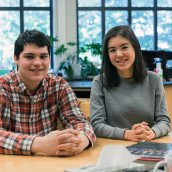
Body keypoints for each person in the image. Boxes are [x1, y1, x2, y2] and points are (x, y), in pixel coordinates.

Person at [0, 29, 96, 156]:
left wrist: (79, 142)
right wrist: (39, 144)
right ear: (16, 59)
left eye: (43, 56)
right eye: (29, 56)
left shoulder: (59, 86)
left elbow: (79, 122)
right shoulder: (3, 87)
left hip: (50, 163)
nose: (38, 63)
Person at [90, 25, 171, 142]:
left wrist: (152, 132)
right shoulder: (99, 82)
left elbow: (164, 121)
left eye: (124, 47)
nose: (118, 54)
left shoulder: (154, 80)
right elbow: (97, 125)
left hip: (147, 145)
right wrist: (126, 134)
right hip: (112, 148)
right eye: (112, 50)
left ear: (135, 48)